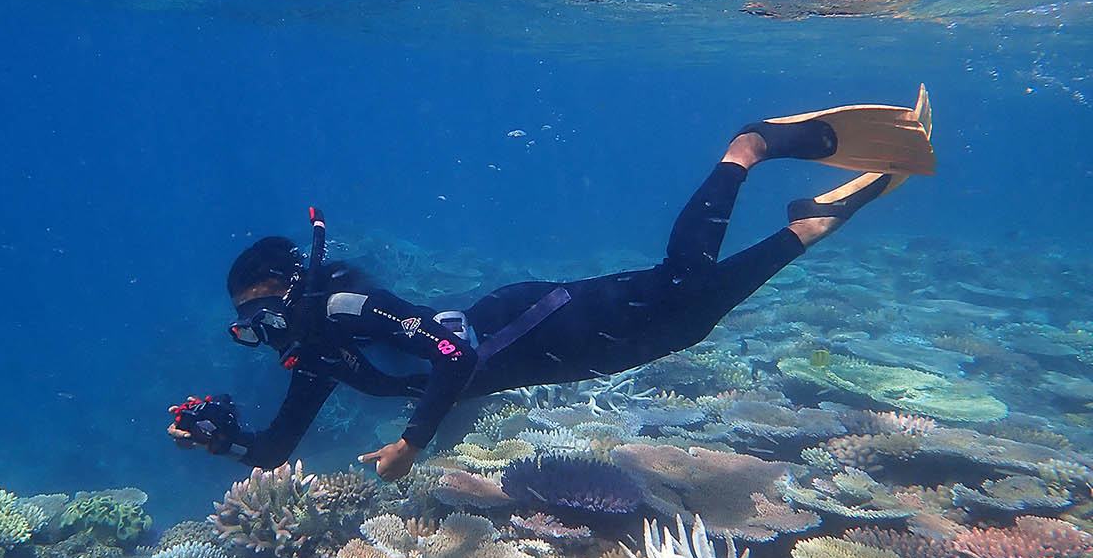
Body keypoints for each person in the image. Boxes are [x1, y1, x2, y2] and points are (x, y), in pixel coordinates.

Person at [169, 89, 935, 481]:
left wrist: (412, 441)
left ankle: (751, 144)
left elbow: (450, 350)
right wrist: (221, 439)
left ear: (288, 283)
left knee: (681, 280)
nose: (264, 330)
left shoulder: (340, 304)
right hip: (559, 357)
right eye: (251, 324)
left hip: (539, 322)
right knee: (688, 323)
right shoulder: (317, 356)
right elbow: (275, 451)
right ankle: (811, 224)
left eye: (261, 310)